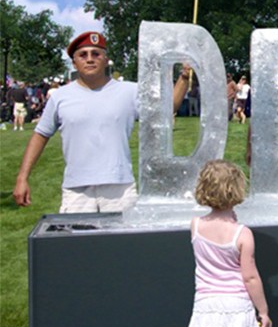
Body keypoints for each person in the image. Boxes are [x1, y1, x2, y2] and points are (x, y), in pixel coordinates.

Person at [13, 31, 188, 212]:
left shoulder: (130, 91)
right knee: (77, 240)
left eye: (96, 54)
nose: (90, 59)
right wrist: (22, 178)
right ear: (74, 63)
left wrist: (184, 77)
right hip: (76, 191)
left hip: (120, 189)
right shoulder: (59, 97)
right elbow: (40, 135)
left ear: (106, 60)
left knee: (121, 241)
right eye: (83, 55)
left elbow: (168, 109)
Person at [187, 160, 272, 327]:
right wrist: (263, 311)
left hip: (205, 304)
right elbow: (250, 278)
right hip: (237, 305)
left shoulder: (195, 226)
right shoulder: (242, 234)